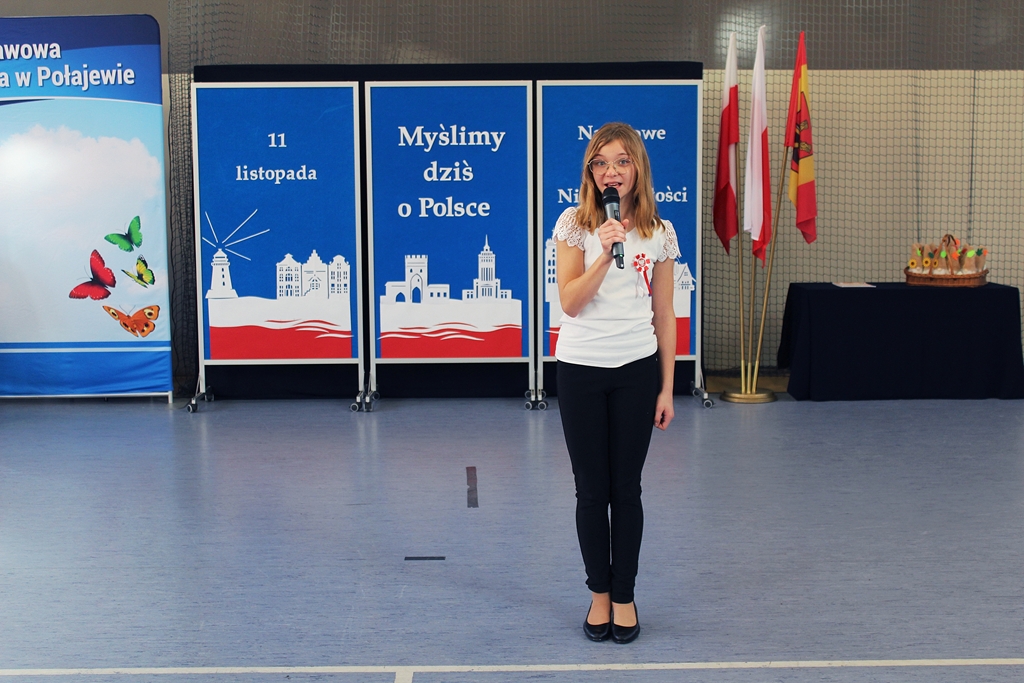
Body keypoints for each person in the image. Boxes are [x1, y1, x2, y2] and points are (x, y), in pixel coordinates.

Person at [554, 122, 678, 644]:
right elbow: (570, 302)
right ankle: (598, 594)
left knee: (626, 489)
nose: (612, 172)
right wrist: (605, 254)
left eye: (622, 161)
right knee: (591, 490)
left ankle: (624, 594)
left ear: (637, 168)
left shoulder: (659, 232)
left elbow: (665, 314)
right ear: (591, 172)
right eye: (601, 162)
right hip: (581, 370)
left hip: (636, 371)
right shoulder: (574, 225)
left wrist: (666, 388)